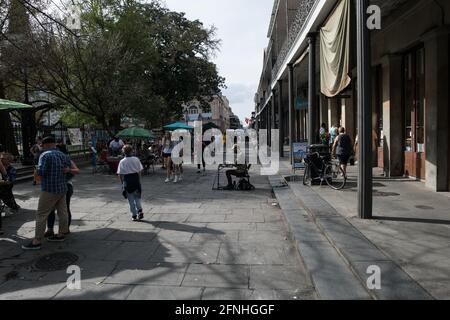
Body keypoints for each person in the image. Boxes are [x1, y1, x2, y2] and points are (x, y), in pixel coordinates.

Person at [22, 136, 71, 250]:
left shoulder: (44, 155)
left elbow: (41, 172)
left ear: (45, 145)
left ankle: (37, 240)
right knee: (62, 212)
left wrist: (37, 171)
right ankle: (61, 234)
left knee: (41, 214)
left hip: (49, 189)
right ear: (54, 144)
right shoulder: (63, 155)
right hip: (62, 188)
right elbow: (68, 169)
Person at [44, 144, 80, 238]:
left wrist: (69, 169)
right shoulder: (50, 159)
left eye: (57, 150)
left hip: (66, 186)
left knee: (64, 209)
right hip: (52, 187)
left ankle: (65, 229)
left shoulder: (66, 160)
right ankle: (50, 229)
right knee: (50, 209)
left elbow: (77, 170)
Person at [117, 145, 144, 221]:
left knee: (131, 200)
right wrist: (139, 179)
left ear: (123, 152)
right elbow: (140, 171)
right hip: (135, 179)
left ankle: (134, 215)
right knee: (137, 197)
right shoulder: (136, 159)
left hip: (127, 180)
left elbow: (120, 174)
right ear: (132, 151)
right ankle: (140, 210)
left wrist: (122, 183)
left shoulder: (122, 161)